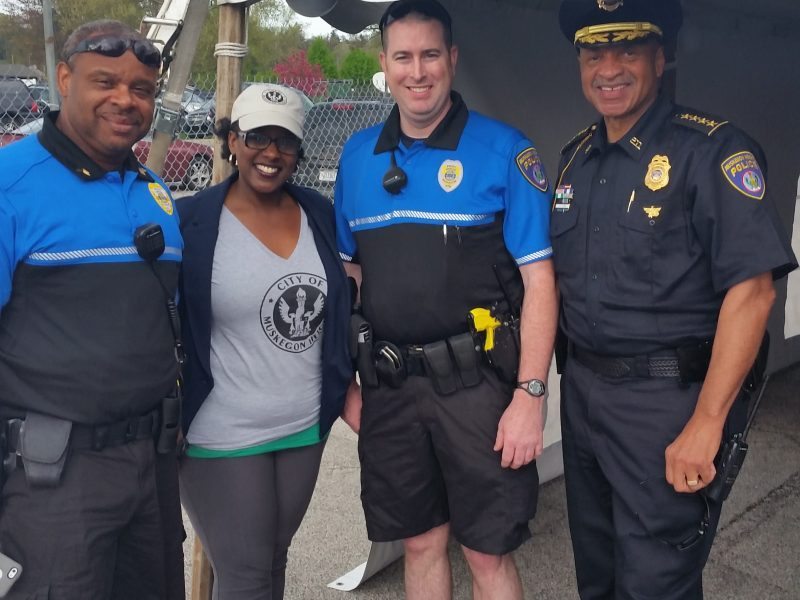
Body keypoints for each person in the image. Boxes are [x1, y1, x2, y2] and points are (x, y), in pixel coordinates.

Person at [552, 1, 798, 598]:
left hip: (665, 405)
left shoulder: (712, 152)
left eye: (628, 50)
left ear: (661, 59)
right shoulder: (574, 159)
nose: (608, 68)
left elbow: (754, 292)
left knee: (657, 583)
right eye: (593, 52)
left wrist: (707, 425)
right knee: (599, 576)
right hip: (583, 398)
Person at [335, 1, 558, 598]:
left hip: (478, 389)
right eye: (403, 56)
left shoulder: (506, 151)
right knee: (420, 542)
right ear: (383, 63)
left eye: (430, 54)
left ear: (453, 59)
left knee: (486, 553)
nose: (417, 71)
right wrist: (345, 385)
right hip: (389, 388)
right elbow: (349, 277)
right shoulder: (356, 157)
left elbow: (540, 282)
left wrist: (531, 396)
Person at [0, 19, 185, 599]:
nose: (125, 100)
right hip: (53, 482)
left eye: (142, 89)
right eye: (105, 81)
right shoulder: (12, 183)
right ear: (62, 78)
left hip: (151, 469)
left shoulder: (154, 191)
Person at [177, 83, 352, 599]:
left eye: (286, 141)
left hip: (302, 426)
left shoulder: (319, 213)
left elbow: (346, 300)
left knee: (272, 562)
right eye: (257, 137)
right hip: (221, 431)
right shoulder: (192, 222)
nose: (271, 153)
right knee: (247, 575)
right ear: (233, 140)